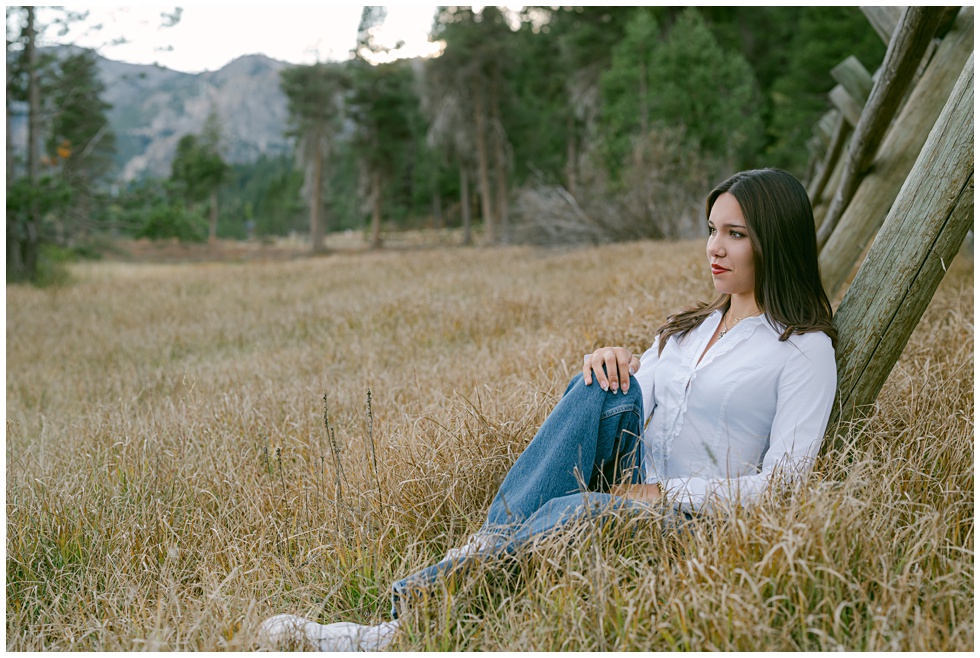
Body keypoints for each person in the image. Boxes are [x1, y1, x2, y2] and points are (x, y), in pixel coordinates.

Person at [258, 168, 838, 651]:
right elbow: (640, 403)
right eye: (712, 230)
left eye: (734, 233)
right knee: (600, 387)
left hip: (691, 519)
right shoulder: (691, 329)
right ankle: (482, 551)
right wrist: (614, 360)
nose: (714, 248)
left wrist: (661, 495)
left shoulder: (801, 349)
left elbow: (784, 485)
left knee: (579, 508)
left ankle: (403, 626)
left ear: (775, 239)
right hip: (629, 484)